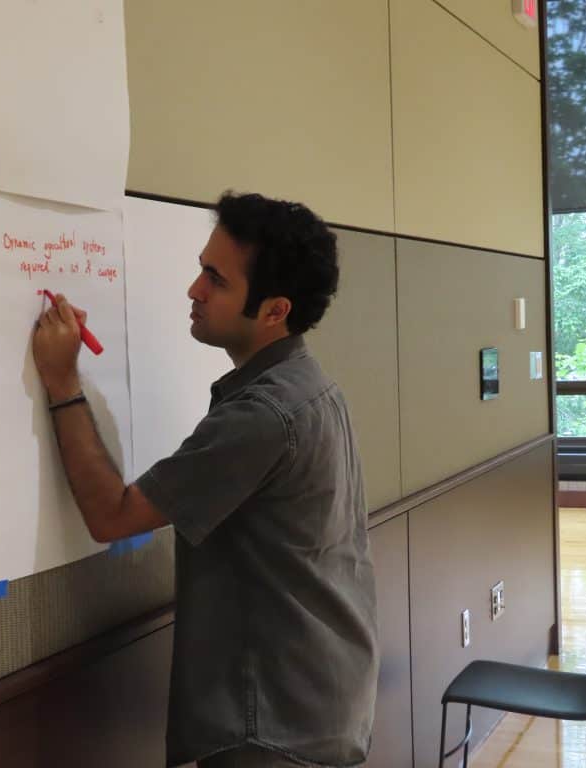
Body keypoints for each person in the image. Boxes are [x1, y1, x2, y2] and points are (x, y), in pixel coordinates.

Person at [31, 192, 378, 768]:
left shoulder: (263, 418)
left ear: (274, 310)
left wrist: (63, 381)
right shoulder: (312, 386)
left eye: (215, 279)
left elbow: (111, 516)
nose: (194, 290)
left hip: (275, 724)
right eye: (200, 269)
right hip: (320, 696)